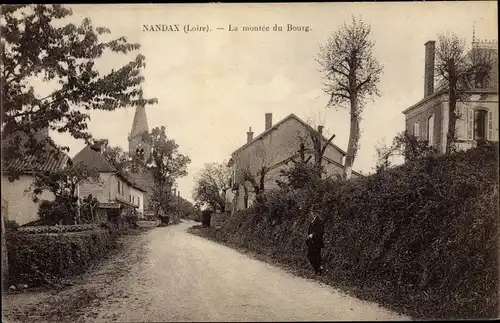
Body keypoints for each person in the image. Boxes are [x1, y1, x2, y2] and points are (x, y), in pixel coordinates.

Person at [306, 207, 326, 275]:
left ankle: (318, 270)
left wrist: (313, 235)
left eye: (315, 212)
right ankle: (318, 269)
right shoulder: (313, 220)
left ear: (318, 213)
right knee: (311, 256)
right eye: (313, 212)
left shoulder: (320, 221)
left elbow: (321, 232)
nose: (314, 213)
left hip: (316, 242)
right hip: (311, 242)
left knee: (315, 256)